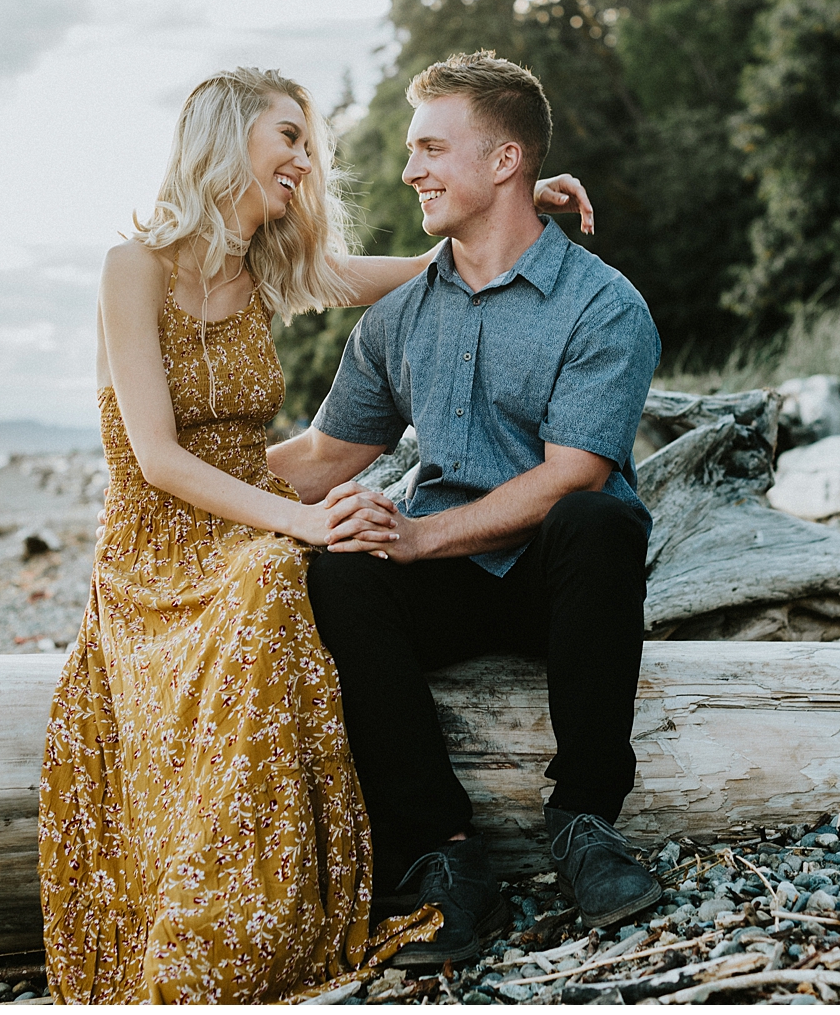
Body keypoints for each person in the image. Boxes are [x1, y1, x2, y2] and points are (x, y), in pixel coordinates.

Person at [37, 65, 596, 1003]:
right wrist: (299, 520)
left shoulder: (266, 268)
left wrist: (512, 200)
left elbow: (434, 267)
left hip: (245, 522)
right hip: (156, 546)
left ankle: (307, 885)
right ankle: (227, 902)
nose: (304, 159)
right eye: (288, 136)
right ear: (225, 140)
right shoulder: (131, 268)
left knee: (314, 569)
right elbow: (161, 459)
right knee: (283, 571)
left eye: (307, 142)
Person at [267, 51, 665, 968]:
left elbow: (574, 474)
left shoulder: (604, 305)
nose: (410, 170)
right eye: (413, 150)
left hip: (558, 581)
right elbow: (329, 457)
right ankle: (445, 855)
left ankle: (583, 825)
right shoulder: (403, 314)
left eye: (432, 148)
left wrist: (416, 534)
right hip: (443, 582)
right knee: (337, 564)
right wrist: (187, 479)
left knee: (599, 520)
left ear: (504, 162)